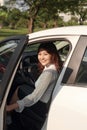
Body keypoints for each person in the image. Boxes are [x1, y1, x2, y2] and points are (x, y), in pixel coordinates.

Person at [6, 42, 62, 130]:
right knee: (21, 87)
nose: (41, 57)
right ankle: (10, 115)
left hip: (41, 105)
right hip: (44, 100)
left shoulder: (49, 73)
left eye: (45, 54)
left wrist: (10, 107)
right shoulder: (53, 67)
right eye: (39, 54)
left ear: (52, 55)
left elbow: (34, 97)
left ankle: (8, 115)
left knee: (19, 88)